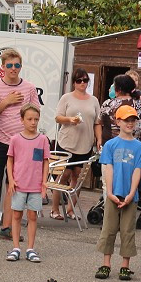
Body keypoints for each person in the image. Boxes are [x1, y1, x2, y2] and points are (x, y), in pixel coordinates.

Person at [0, 48, 40, 241]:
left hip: (20, 143)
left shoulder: (29, 88)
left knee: (12, 185)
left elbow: (35, 114)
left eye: (17, 65)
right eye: (10, 66)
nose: (14, 69)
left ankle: (6, 226)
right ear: (2, 67)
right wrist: (6, 102)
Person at [95, 105, 141, 281]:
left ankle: (125, 265)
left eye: (133, 120)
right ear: (118, 121)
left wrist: (132, 193)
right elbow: (108, 168)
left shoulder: (140, 147)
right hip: (113, 193)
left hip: (130, 195)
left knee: (127, 230)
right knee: (108, 228)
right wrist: (109, 192)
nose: (130, 123)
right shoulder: (110, 145)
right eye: (126, 120)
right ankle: (106, 263)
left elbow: (137, 171)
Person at [50, 68, 99, 220]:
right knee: (63, 175)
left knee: (77, 177)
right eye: (79, 80)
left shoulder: (94, 100)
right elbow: (58, 117)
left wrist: (99, 140)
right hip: (67, 142)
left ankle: (71, 210)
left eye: (85, 80)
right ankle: (55, 209)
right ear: (74, 83)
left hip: (85, 143)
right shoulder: (67, 98)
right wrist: (70, 120)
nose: (82, 83)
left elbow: (97, 122)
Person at [6, 104, 51, 262]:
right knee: (17, 214)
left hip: (35, 185)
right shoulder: (15, 139)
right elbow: (10, 160)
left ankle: (30, 248)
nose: (33, 122)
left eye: (36, 119)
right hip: (19, 184)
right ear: (22, 120)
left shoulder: (43, 139)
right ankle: (16, 247)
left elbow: (45, 162)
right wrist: (11, 180)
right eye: (30, 119)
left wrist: (44, 182)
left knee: (32, 215)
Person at [98, 74, 141, 148]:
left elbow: (100, 122)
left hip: (111, 147)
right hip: (133, 147)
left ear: (118, 89)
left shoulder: (108, 104)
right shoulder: (140, 105)